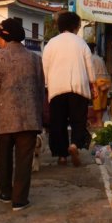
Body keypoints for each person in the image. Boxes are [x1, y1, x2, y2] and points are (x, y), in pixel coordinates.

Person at [0, 18, 44, 212]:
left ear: (3, 37)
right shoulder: (35, 59)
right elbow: (40, 88)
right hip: (29, 117)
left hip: (4, 116)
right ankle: (20, 199)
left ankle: (6, 193)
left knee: (4, 156)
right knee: (24, 159)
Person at [42, 11, 95, 166]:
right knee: (78, 120)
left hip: (57, 88)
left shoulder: (51, 43)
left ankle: (62, 155)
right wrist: (93, 84)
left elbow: (45, 66)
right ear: (74, 26)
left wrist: (46, 85)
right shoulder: (81, 43)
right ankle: (74, 145)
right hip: (78, 88)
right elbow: (89, 66)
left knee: (58, 122)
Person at [89, 44, 111, 127]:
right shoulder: (98, 58)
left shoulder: (90, 59)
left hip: (97, 82)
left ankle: (98, 122)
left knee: (97, 103)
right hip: (105, 80)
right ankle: (100, 122)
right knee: (103, 103)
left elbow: (90, 74)